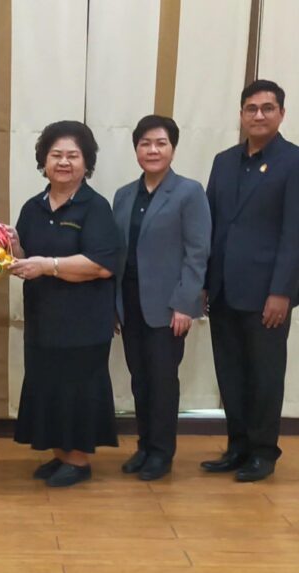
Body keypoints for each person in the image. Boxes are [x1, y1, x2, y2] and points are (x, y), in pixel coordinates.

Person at [8, 121, 120, 487]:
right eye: (56, 155)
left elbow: (101, 265)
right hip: (42, 318)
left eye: (73, 155)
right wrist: (14, 249)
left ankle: (78, 461)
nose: (64, 162)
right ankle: (60, 455)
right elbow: (27, 259)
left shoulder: (96, 207)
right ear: (44, 161)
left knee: (78, 389)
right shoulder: (33, 207)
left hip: (84, 321)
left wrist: (48, 266)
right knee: (48, 385)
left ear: (87, 163)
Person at [201, 80, 299, 482]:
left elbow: (294, 233)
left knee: (264, 375)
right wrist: (204, 283)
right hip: (223, 289)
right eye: (251, 108)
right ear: (241, 114)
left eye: (267, 108)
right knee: (231, 373)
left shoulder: (293, 161)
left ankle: (263, 452)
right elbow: (210, 225)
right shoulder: (224, 161)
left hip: (266, 294)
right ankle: (238, 447)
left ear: (281, 114)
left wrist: (282, 291)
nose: (259, 115)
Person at [113, 115, 211, 481]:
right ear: (136, 149)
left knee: (162, 381)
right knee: (140, 379)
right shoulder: (124, 195)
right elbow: (117, 252)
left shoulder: (189, 192)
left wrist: (185, 304)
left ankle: (161, 452)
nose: (152, 150)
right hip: (129, 302)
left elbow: (198, 253)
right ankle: (144, 446)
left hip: (168, 306)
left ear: (173, 148)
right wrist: (113, 304)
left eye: (161, 143)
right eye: (145, 143)